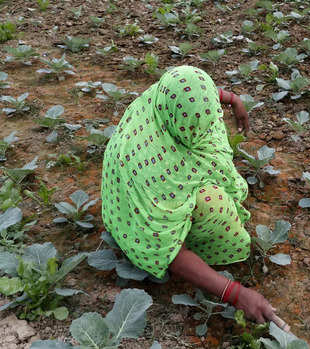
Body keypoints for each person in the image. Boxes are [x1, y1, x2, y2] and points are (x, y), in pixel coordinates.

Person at [100, 65, 288, 330]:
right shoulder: (149, 166)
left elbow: (199, 92)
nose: (212, 126)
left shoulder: (165, 95)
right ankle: (191, 240)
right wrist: (235, 293)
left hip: (134, 187)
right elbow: (170, 250)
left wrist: (234, 99)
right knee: (216, 208)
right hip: (138, 219)